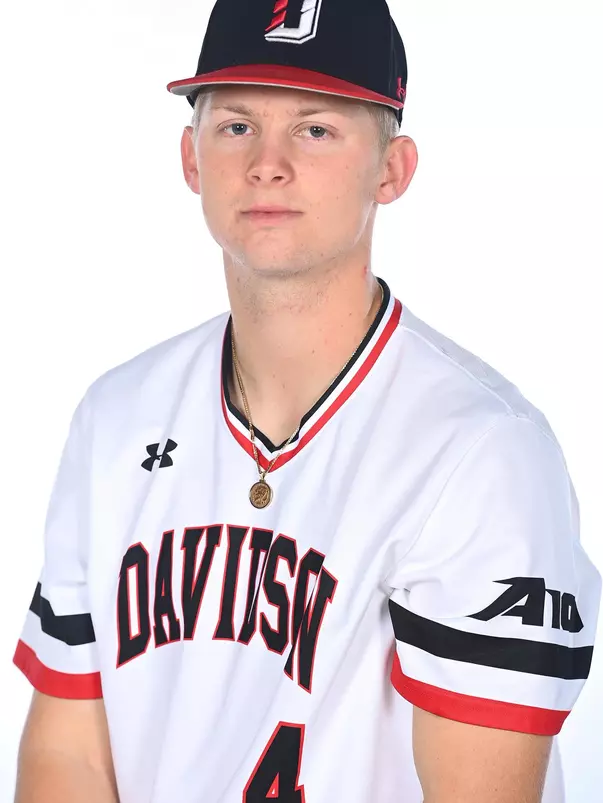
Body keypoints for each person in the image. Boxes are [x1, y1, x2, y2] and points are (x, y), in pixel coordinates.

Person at [12, 0, 601, 801]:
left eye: (315, 128)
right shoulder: (115, 418)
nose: (267, 164)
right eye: (236, 126)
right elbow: (67, 760)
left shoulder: (481, 452)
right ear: (190, 158)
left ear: (390, 170)